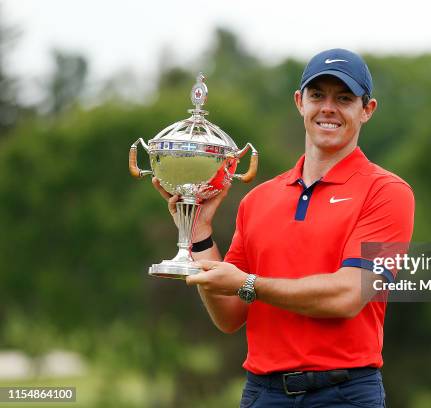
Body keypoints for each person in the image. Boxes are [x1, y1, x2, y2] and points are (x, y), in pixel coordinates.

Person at [153, 48, 414, 407]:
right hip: (263, 393)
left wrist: (248, 284)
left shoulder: (389, 194)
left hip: (345, 394)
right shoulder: (258, 199)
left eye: (344, 98)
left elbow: (349, 296)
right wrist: (198, 233)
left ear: (366, 110)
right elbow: (229, 315)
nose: (328, 108)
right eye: (317, 95)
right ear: (299, 102)